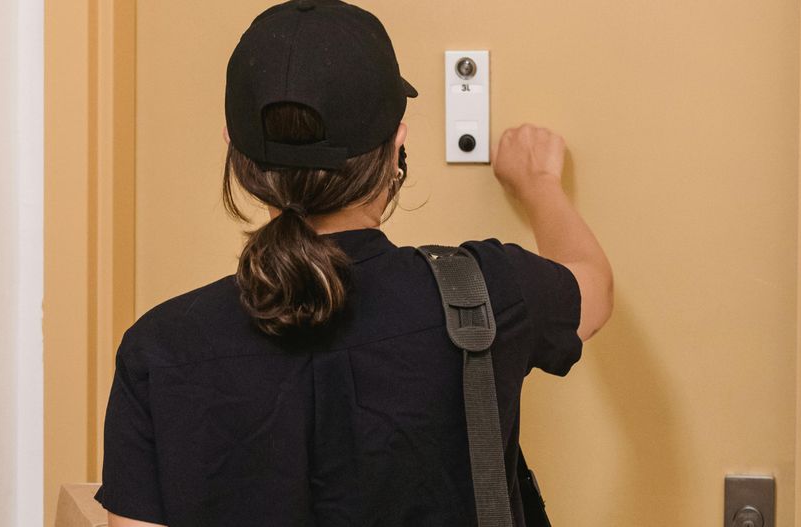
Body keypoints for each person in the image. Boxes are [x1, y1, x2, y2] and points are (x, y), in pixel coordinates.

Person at [93, 1, 613, 526]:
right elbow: (593, 288)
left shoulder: (159, 349)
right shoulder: (487, 293)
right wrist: (539, 184)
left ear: (235, 147)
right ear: (396, 144)